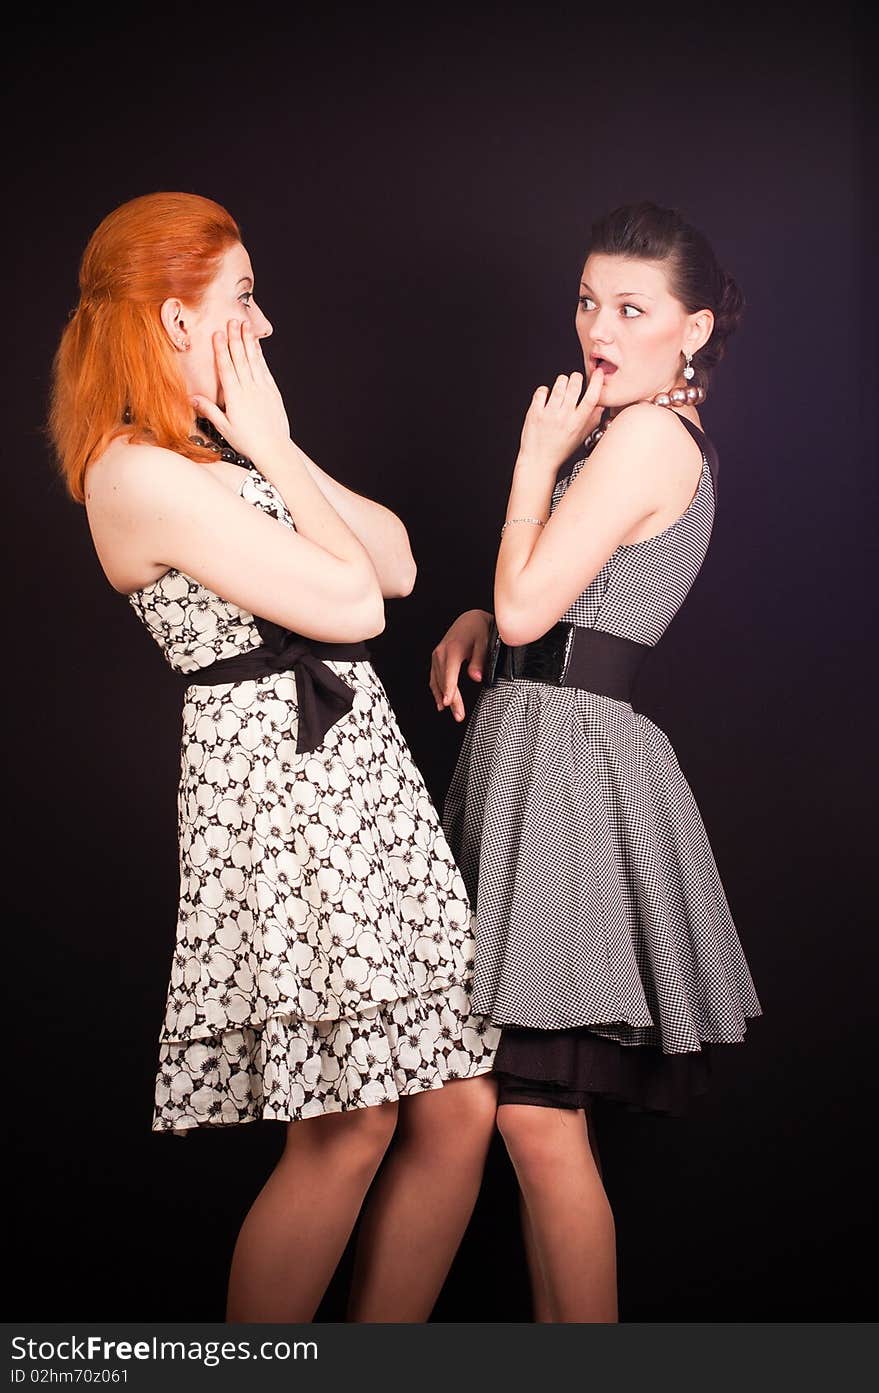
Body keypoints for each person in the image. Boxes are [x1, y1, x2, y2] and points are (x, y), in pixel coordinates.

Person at [48, 191, 499, 1323]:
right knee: (347, 1128)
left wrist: (278, 446)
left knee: (456, 1107)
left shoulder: (224, 452)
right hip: (282, 796)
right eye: (241, 298)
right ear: (170, 321)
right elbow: (353, 602)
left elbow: (392, 561)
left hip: (361, 782)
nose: (262, 324)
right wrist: (278, 453)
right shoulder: (132, 473)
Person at [431, 201, 762, 1323]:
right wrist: (493, 617)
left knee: (530, 1112)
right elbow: (555, 601)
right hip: (536, 748)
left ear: (695, 329)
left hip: (567, 769)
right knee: (484, 1107)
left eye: (631, 308)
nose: (597, 329)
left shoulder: (640, 437)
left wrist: (534, 460)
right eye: (587, 300)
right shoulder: (634, 431)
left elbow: (540, 593)